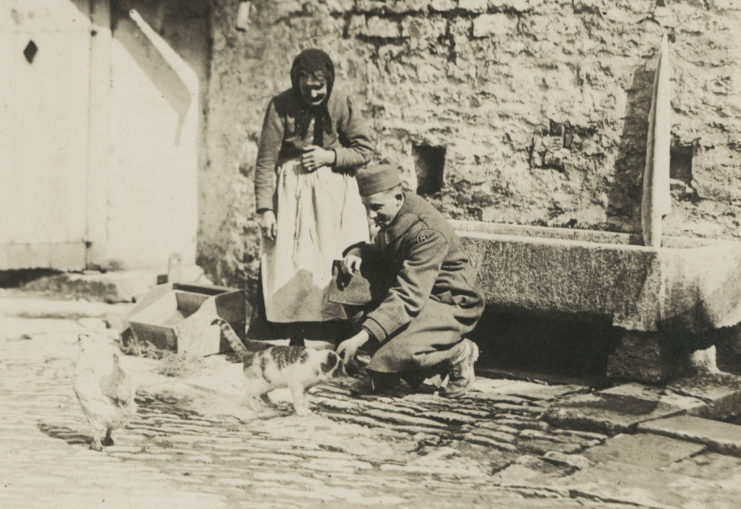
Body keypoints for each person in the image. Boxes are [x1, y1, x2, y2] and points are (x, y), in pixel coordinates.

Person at [252, 48, 373, 344]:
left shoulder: (340, 103)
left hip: (330, 196)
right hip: (291, 194)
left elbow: (364, 150)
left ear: (328, 82)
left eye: (320, 87)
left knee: (325, 262)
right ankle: (287, 336)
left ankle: (329, 337)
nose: (314, 94)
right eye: (307, 88)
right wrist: (265, 209)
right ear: (297, 83)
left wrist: (328, 156)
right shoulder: (280, 106)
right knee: (286, 261)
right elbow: (266, 160)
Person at [336, 164, 485, 397]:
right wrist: (357, 251)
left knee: (397, 351)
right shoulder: (395, 212)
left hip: (450, 301)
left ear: (397, 198)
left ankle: (458, 353)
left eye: (375, 207)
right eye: (366, 207)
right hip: (421, 294)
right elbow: (385, 250)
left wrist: (361, 336)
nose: (370, 216)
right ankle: (387, 367)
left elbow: (408, 295)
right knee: (349, 276)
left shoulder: (426, 231)